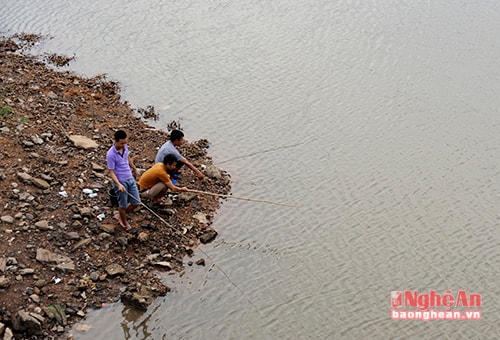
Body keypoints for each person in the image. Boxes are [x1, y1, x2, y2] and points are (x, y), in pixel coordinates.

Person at [106, 130, 140, 234]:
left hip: (130, 178)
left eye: (125, 143)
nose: (124, 145)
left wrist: (135, 169)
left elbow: (128, 158)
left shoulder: (125, 147)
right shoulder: (110, 154)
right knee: (122, 205)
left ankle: (122, 215)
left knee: (136, 202)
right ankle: (125, 223)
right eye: (121, 143)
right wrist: (118, 184)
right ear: (115, 141)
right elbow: (111, 172)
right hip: (120, 181)